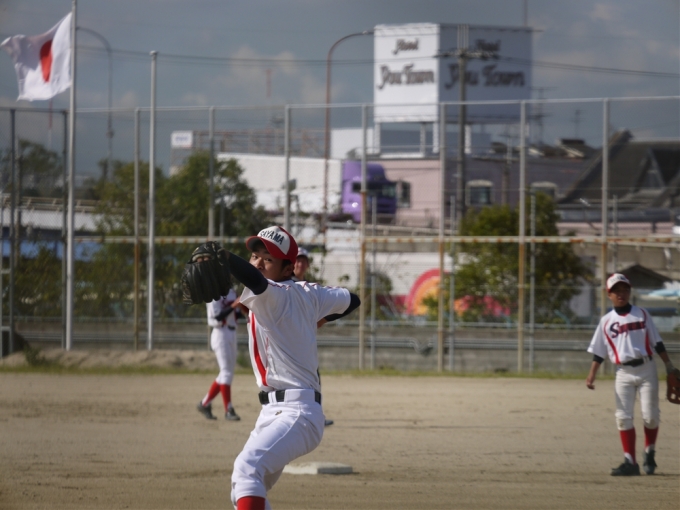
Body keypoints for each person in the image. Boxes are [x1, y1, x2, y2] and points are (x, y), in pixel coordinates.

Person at [222, 226, 360, 510]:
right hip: (275, 412)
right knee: (245, 487)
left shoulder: (274, 294)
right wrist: (316, 318)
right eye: (255, 256)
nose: (258, 263)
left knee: (247, 469)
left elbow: (256, 281)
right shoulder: (309, 291)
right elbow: (352, 300)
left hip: (296, 413)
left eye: (268, 259)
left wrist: (222, 257)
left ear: (287, 269)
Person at [586, 273, 680, 476]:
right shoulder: (606, 321)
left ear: (629, 292)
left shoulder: (642, 314)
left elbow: (657, 342)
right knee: (623, 417)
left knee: (651, 416)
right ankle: (630, 462)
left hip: (647, 369)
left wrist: (669, 366)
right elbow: (599, 352)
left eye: (624, 290)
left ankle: (649, 452)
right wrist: (592, 374)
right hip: (623, 372)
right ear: (609, 294)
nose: (621, 294)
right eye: (616, 291)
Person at [292, 247, 335, 427]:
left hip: (305, 343)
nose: (300, 264)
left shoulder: (306, 286)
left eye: (303, 260)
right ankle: (303, 416)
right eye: (297, 260)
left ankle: (315, 416)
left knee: (313, 380)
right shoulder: (288, 284)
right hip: (291, 342)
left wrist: (320, 320)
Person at [197, 289, 241, 421]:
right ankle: (228, 409)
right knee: (226, 372)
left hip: (232, 332)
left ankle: (204, 404)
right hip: (220, 333)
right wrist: (234, 304)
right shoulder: (213, 293)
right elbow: (217, 316)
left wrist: (244, 305)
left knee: (227, 373)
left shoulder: (231, 291)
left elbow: (236, 314)